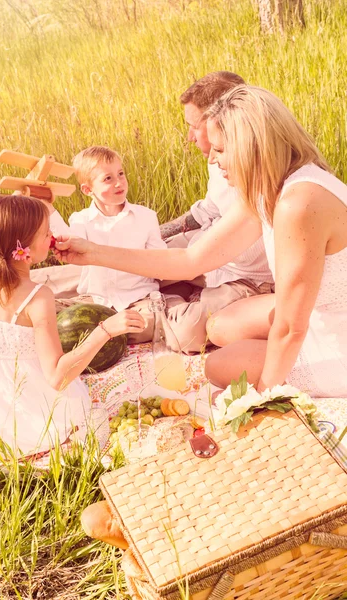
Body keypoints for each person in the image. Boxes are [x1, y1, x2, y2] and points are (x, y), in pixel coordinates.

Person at [53, 85, 347, 398]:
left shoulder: (298, 204)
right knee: (220, 328)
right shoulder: (269, 187)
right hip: (317, 310)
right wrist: (93, 253)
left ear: (251, 146)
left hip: (335, 344)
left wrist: (262, 399)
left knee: (218, 368)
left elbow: (290, 328)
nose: (213, 160)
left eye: (220, 150)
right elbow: (191, 260)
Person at [0, 194, 146, 456]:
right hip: (39, 422)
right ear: (22, 247)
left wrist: (20, 205)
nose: (51, 236)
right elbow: (58, 378)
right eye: (44, 233)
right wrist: (106, 329)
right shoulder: (37, 297)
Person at [159, 72, 274, 353]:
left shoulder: (261, 180)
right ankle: (179, 292)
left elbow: (202, 256)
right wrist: (159, 233)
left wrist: (183, 265)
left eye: (193, 126)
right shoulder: (216, 158)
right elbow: (207, 210)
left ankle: (172, 297)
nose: (189, 137)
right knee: (137, 264)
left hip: (248, 279)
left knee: (183, 334)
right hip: (208, 254)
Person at [45, 145, 184, 343]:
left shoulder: (145, 217)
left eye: (121, 174)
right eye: (108, 178)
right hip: (95, 300)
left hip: (138, 299)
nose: (119, 183)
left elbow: (160, 261)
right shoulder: (81, 219)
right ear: (87, 189)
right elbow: (67, 242)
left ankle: (101, 333)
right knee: (49, 312)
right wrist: (47, 208)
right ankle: (104, 330)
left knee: (151, 321)